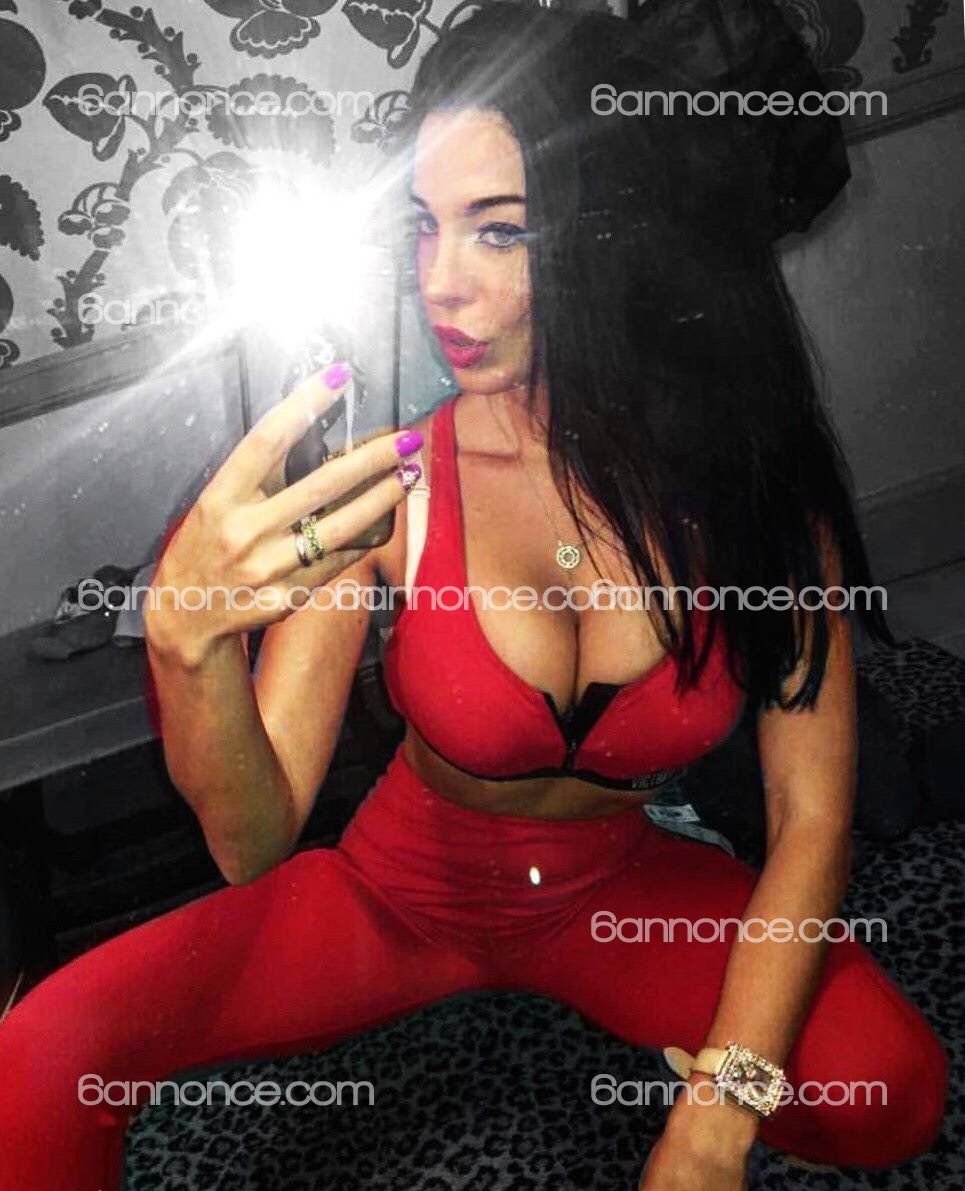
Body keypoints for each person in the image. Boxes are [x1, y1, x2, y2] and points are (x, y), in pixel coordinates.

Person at [0, 4, 947, 1188]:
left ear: (610, 233)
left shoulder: (752, 488)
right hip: (396, 896)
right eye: (424, 225)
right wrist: (185, 647)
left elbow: (809, 817)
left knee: (888, 1091)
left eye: (498, 231)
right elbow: (253, 841)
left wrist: (716, 1116)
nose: (438, 283)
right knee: (34, 1063)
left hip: (618, 899)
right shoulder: (389, 486)